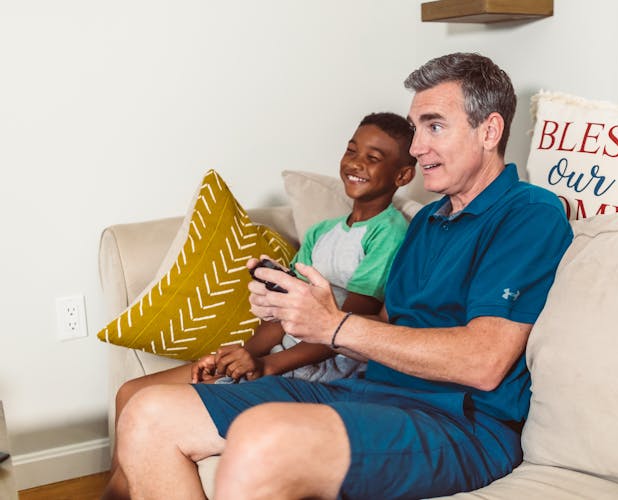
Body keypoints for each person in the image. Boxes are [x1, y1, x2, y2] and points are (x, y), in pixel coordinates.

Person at [115, 52, 574, 500]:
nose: (417, 147)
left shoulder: (529, 214)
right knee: (147, 412)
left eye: (435, 126)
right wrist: (296, 312)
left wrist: (333, 325)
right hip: (367, 394)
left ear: (489, 130)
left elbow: (484, 361)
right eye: (416, 130)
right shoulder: (429, 222)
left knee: (263, 439)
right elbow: (393, 328)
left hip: (460, 423)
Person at [101, 111, 416, 500]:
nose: (356, 163)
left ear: (403, 175)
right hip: (279, 355)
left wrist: (267, 365)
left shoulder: (389, 233)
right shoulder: (321, 232)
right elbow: (285, 313)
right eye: (352, 150)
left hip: (323, 367)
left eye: (373, 157)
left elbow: (342, 327)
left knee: (148, 412)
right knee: (128, 393)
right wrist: (242, 353)